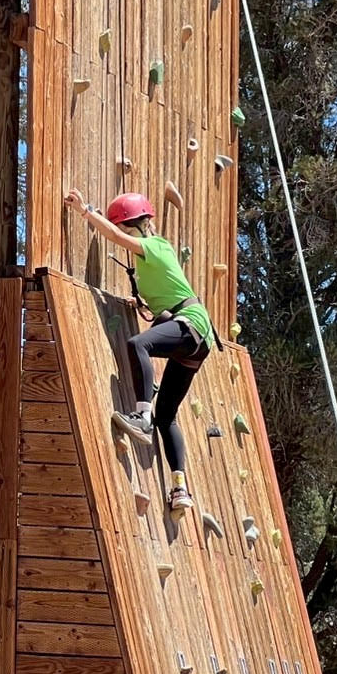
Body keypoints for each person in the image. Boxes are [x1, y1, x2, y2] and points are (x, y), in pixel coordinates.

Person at [64, 188, 216, 516]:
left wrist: (85, 211)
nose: (131, 237)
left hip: (191, 323)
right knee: (169, 415)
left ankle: (142, 417)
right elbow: (166, 302)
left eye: (131, 229)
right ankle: (180, 488)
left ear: (140, 226)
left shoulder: (155, 246)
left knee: (138, 344)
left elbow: (117, 237)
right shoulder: (151, 260)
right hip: (195, 338)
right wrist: (142, 303)